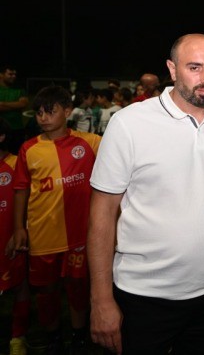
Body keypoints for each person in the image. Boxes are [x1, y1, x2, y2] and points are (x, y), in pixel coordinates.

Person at [87, 33, 204, 354]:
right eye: (194, 67)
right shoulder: (128, 124)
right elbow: (102, 213)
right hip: (144, 294)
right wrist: (100, 298)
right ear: (172, 69)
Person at [12, 85, 102, 354]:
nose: (43, 117)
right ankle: (53, 337)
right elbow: (20, 189)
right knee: (46, 290)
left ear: (67, 111)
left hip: (79, 234)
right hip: (43, 234)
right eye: (39, 112)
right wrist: (18, 227)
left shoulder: (91, 142)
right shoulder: (28, 149)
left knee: (77, 286)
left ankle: (79, 336)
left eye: (50, 111)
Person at [0, 117, 31, 355]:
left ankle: (18, 337)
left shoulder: (16, 163)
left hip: (10, 240)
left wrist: (20, 231)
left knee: (20, 286)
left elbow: (29, 202)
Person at [0, 67, 29, 154]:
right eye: (10, 74)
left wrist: (2, 104)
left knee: (17, 156)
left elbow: (23, 104)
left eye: (15, 74)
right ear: (1, 75)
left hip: (17, 129)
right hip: (0, 130)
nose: (13, 76)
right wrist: (15, 105)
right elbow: (20, 104)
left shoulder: (19, 90)